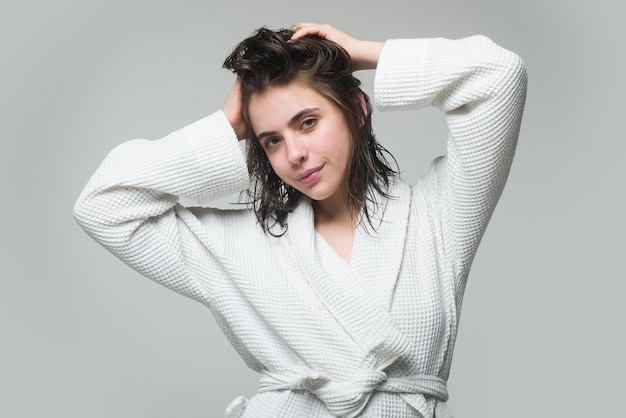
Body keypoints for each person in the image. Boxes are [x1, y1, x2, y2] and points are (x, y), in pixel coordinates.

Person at [74, 23, 527, 418]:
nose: (294, 154)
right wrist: (228, 125)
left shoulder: (437, 217)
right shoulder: (235, 244)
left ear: (356, 106)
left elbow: (498, 75)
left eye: (307, 122)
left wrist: (364, 52)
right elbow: (103, 203)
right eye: (271, 139)